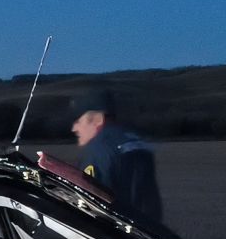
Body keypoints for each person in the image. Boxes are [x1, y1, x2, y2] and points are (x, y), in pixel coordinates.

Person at [69, 90, 163, 222]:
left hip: (116, 233)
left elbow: (91, 203)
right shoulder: (136, 141)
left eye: (78, 121)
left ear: (97, 120)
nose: (74, 128)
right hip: (149, 230)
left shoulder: (98, 149)